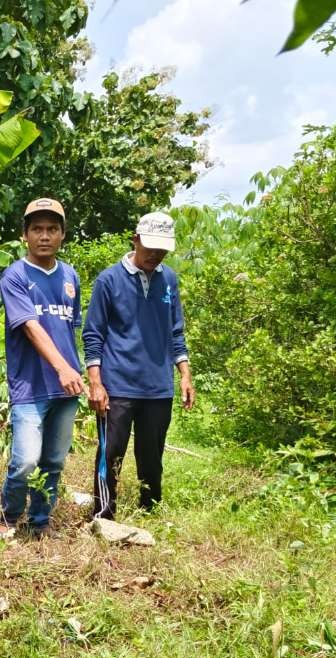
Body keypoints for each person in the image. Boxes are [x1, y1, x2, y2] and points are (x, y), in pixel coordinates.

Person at [82, 211, 195, 519]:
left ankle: (150, 512)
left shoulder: (168, 279)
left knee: (151, 457)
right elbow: (93, 334)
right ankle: (103, 515)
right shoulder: (109, 280)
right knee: (110, 453)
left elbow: (176, 332)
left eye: (162, 250)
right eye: (150, 248)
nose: (155, 255)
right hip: (118, 385)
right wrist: (96, 382)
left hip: (158, 386)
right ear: (135, 240)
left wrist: (184, 374)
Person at [0, 199, 87, 537]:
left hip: (67, 388)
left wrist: (75, 372)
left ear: (63, 235)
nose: (45, 236)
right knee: (25, 461)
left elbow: (69, 328)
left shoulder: (70, 276)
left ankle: (40, 522)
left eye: (52, 229)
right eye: (37, 229)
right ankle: (8, 515)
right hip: (31, 386)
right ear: (25, 235)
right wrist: (64, 368)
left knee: (53, 462)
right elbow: (31, 327)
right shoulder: (16, 276)